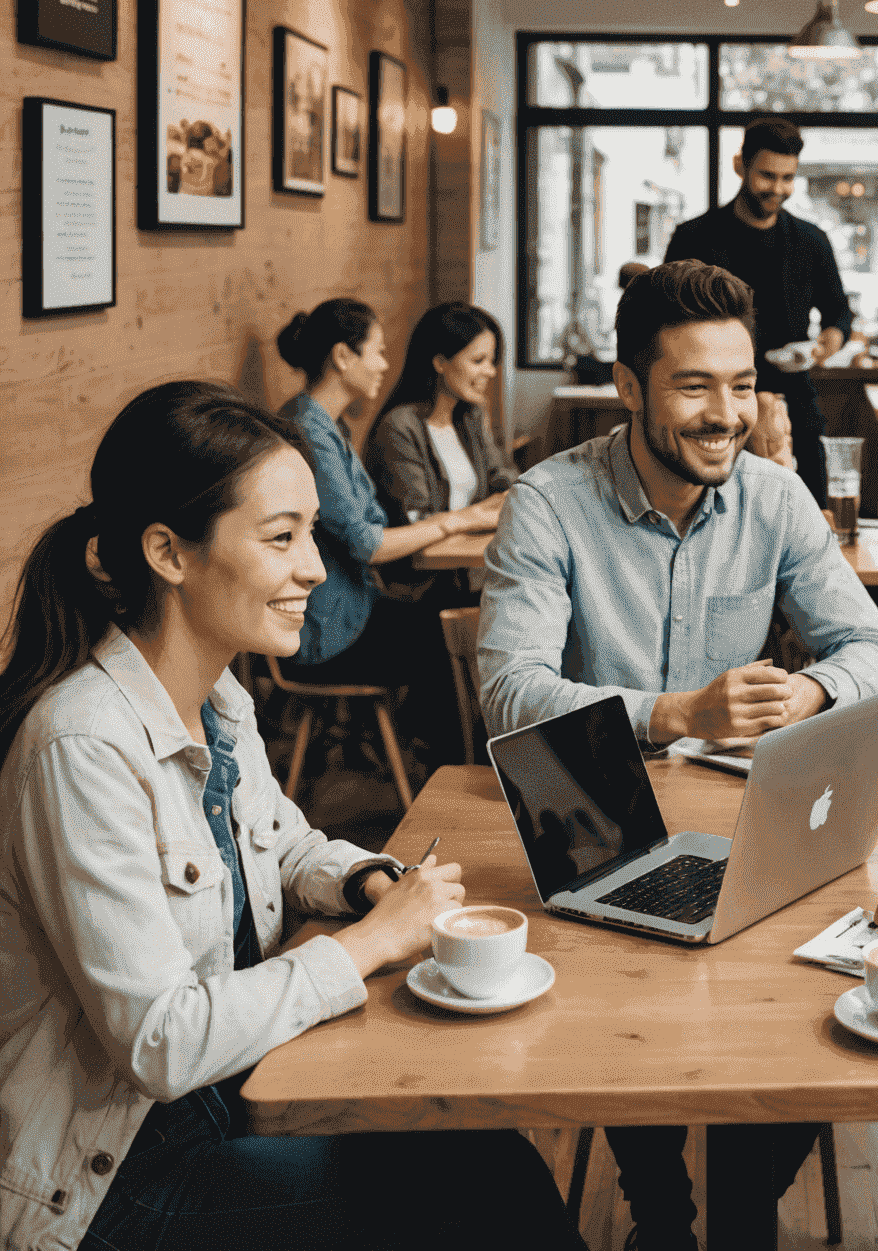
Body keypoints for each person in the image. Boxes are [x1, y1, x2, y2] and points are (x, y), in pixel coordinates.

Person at [0, 380, 585, 1251]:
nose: (315, 566)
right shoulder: (82, 745)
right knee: (481, 1180)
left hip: (222, 1102)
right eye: (282, 538)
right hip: (113, 1185)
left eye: (311, 532)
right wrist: (374, 943)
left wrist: (367, 883)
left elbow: (284, 844)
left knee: (480, 1150)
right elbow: (159, 1042)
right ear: (169, 552)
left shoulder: (218, 697)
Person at [477, 260, 878, 1251]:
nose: (727, 416)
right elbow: (509, 692)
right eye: (694, 386)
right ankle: (662, 1195)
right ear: (628, 387)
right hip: (594, 825)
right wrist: (674, 712)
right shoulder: (548, 503)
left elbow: (874, 652)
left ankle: (738, 1193)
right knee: (636, 1024)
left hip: (749, 830)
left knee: (837, 999)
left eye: (743, 386)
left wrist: (810, 689)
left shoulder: (776, 499)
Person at [274, 300, 502, 765]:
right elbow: (368, 542)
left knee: (473, 627)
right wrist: (458, 520)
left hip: (353, 608)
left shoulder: (327, 424)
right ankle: (466, 773)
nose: (384, 364)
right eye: (376, 351)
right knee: (457, 636)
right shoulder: (309, 433)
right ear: (342, 358)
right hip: (329, 629)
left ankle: (468, 768)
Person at [664, 115, 851, 507]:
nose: (778, 189)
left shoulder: (811, 241)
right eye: (767, 176)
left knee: (810, 515)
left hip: (793, 397)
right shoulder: (694, 238)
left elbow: (838, 315)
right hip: (713, 403)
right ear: (740, 166)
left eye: (788, 178)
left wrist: (821, 349)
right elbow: (667, 324)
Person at [365, 299, 516, 601]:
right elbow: (418, 521)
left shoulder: (470, 417)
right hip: (423, 591)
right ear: (440, 362)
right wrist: (480, 514)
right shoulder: (399, 427)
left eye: (492, 361)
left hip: (469, 576)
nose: (490, 371)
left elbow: (503, 479)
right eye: (478, 360)